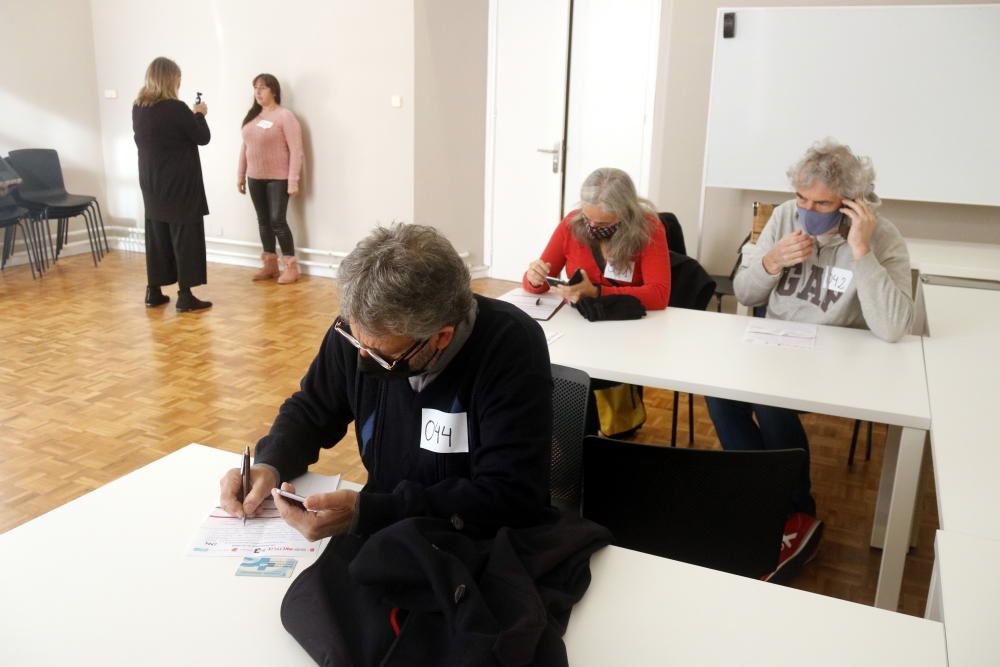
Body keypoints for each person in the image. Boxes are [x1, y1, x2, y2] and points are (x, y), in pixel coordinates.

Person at [219, 223, 553, 540]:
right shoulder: (360, 329)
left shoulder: (511, 346)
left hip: (472, 541)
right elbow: (312, 410)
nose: (362, 359)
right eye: (356, 342)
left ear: (441, 337)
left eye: (381, 355)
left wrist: (371, 513)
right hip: (384, 530)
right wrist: (270, 464)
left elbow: (510, 495)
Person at [705, 138, 914, 581]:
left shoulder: (883, 237)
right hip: (777, 346)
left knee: (771, 400)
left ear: (851, 203)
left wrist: (861, 251)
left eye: (822, 202)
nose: (807, 209)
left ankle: (797, 509)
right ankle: (770, 502)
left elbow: (893, 326)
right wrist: (771, 263)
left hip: (838, 360)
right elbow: (745, 292)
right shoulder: (783, 217)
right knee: (720, 392)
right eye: (802, 197)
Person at [522, 167, 671, 310]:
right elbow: (539, 282)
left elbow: (659, 295)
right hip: (581, 317)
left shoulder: (649, 228)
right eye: (587, 218)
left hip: (629, 321)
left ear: (626, 213)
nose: (592, 226)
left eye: (603, 223)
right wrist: (534, 279)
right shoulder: (572, 223)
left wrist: (597, 292)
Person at [132, 57, 212, 311]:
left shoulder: (139, 107)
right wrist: (199, 115)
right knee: (184, 236)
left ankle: (153, 290)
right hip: (179, 184)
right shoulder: (176, 108)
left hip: (151, 182)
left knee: (157, 236)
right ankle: (185, 296)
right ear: (171, 79)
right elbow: (202, 137)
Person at [238, 73, 304, 284]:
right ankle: (270, 264)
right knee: (263, 221)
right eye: (255, 88)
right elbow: (245, 147)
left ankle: (291, 267)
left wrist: (293, 180)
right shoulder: (252, 117)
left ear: (273, 91)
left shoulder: (285, 116)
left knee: (277, 221)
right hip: (254, 177)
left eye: (263, 88)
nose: (258, 92)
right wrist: (241, 174)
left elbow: (296, 151)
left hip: (278, 178)